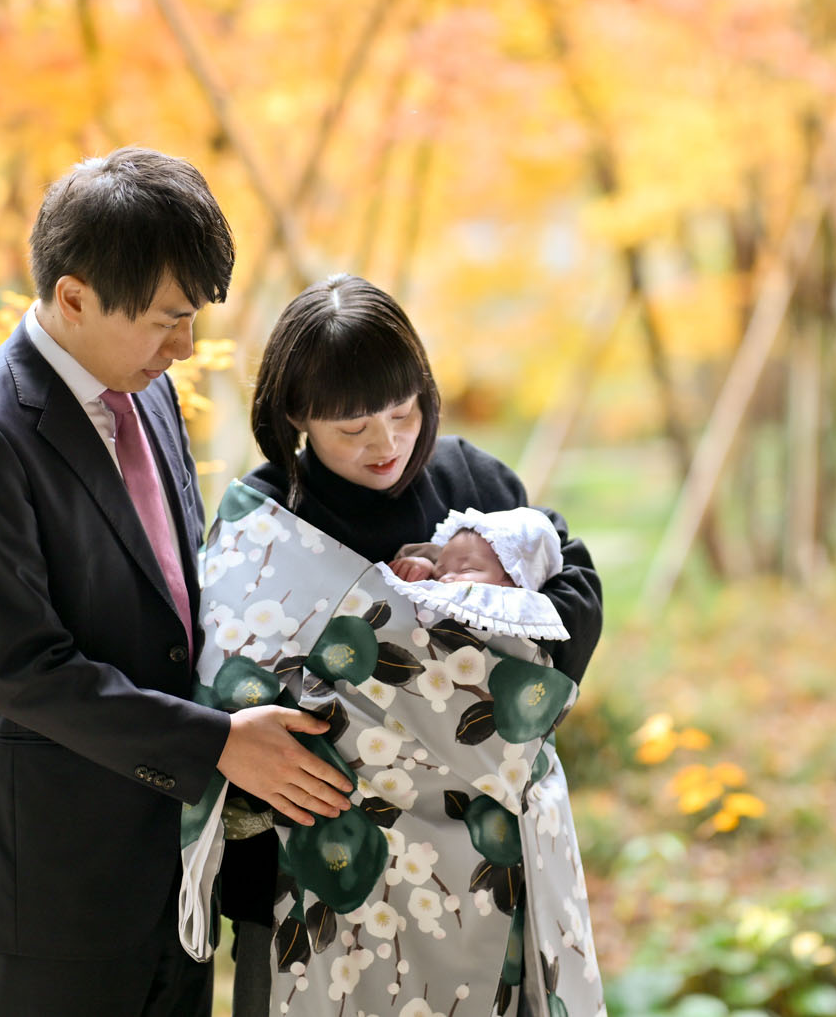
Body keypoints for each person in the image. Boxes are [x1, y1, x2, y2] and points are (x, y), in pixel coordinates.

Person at [0, 149, 356, 1017]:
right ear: (74, 297)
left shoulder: (146, 390)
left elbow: (177, 599)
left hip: (178, 874)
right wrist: (217, 742)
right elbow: (23, 670)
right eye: (166, 321)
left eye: (191, 319)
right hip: (57, 893)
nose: (184, 348)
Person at [220, 274, 605, 1017]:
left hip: (490, 869)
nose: (387, 443)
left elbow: (568, 605)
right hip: (323, 873)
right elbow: (232, 688)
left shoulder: (475, 483)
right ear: (296, 413)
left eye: (403, 412)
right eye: (353, 427)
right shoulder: (261, 523)